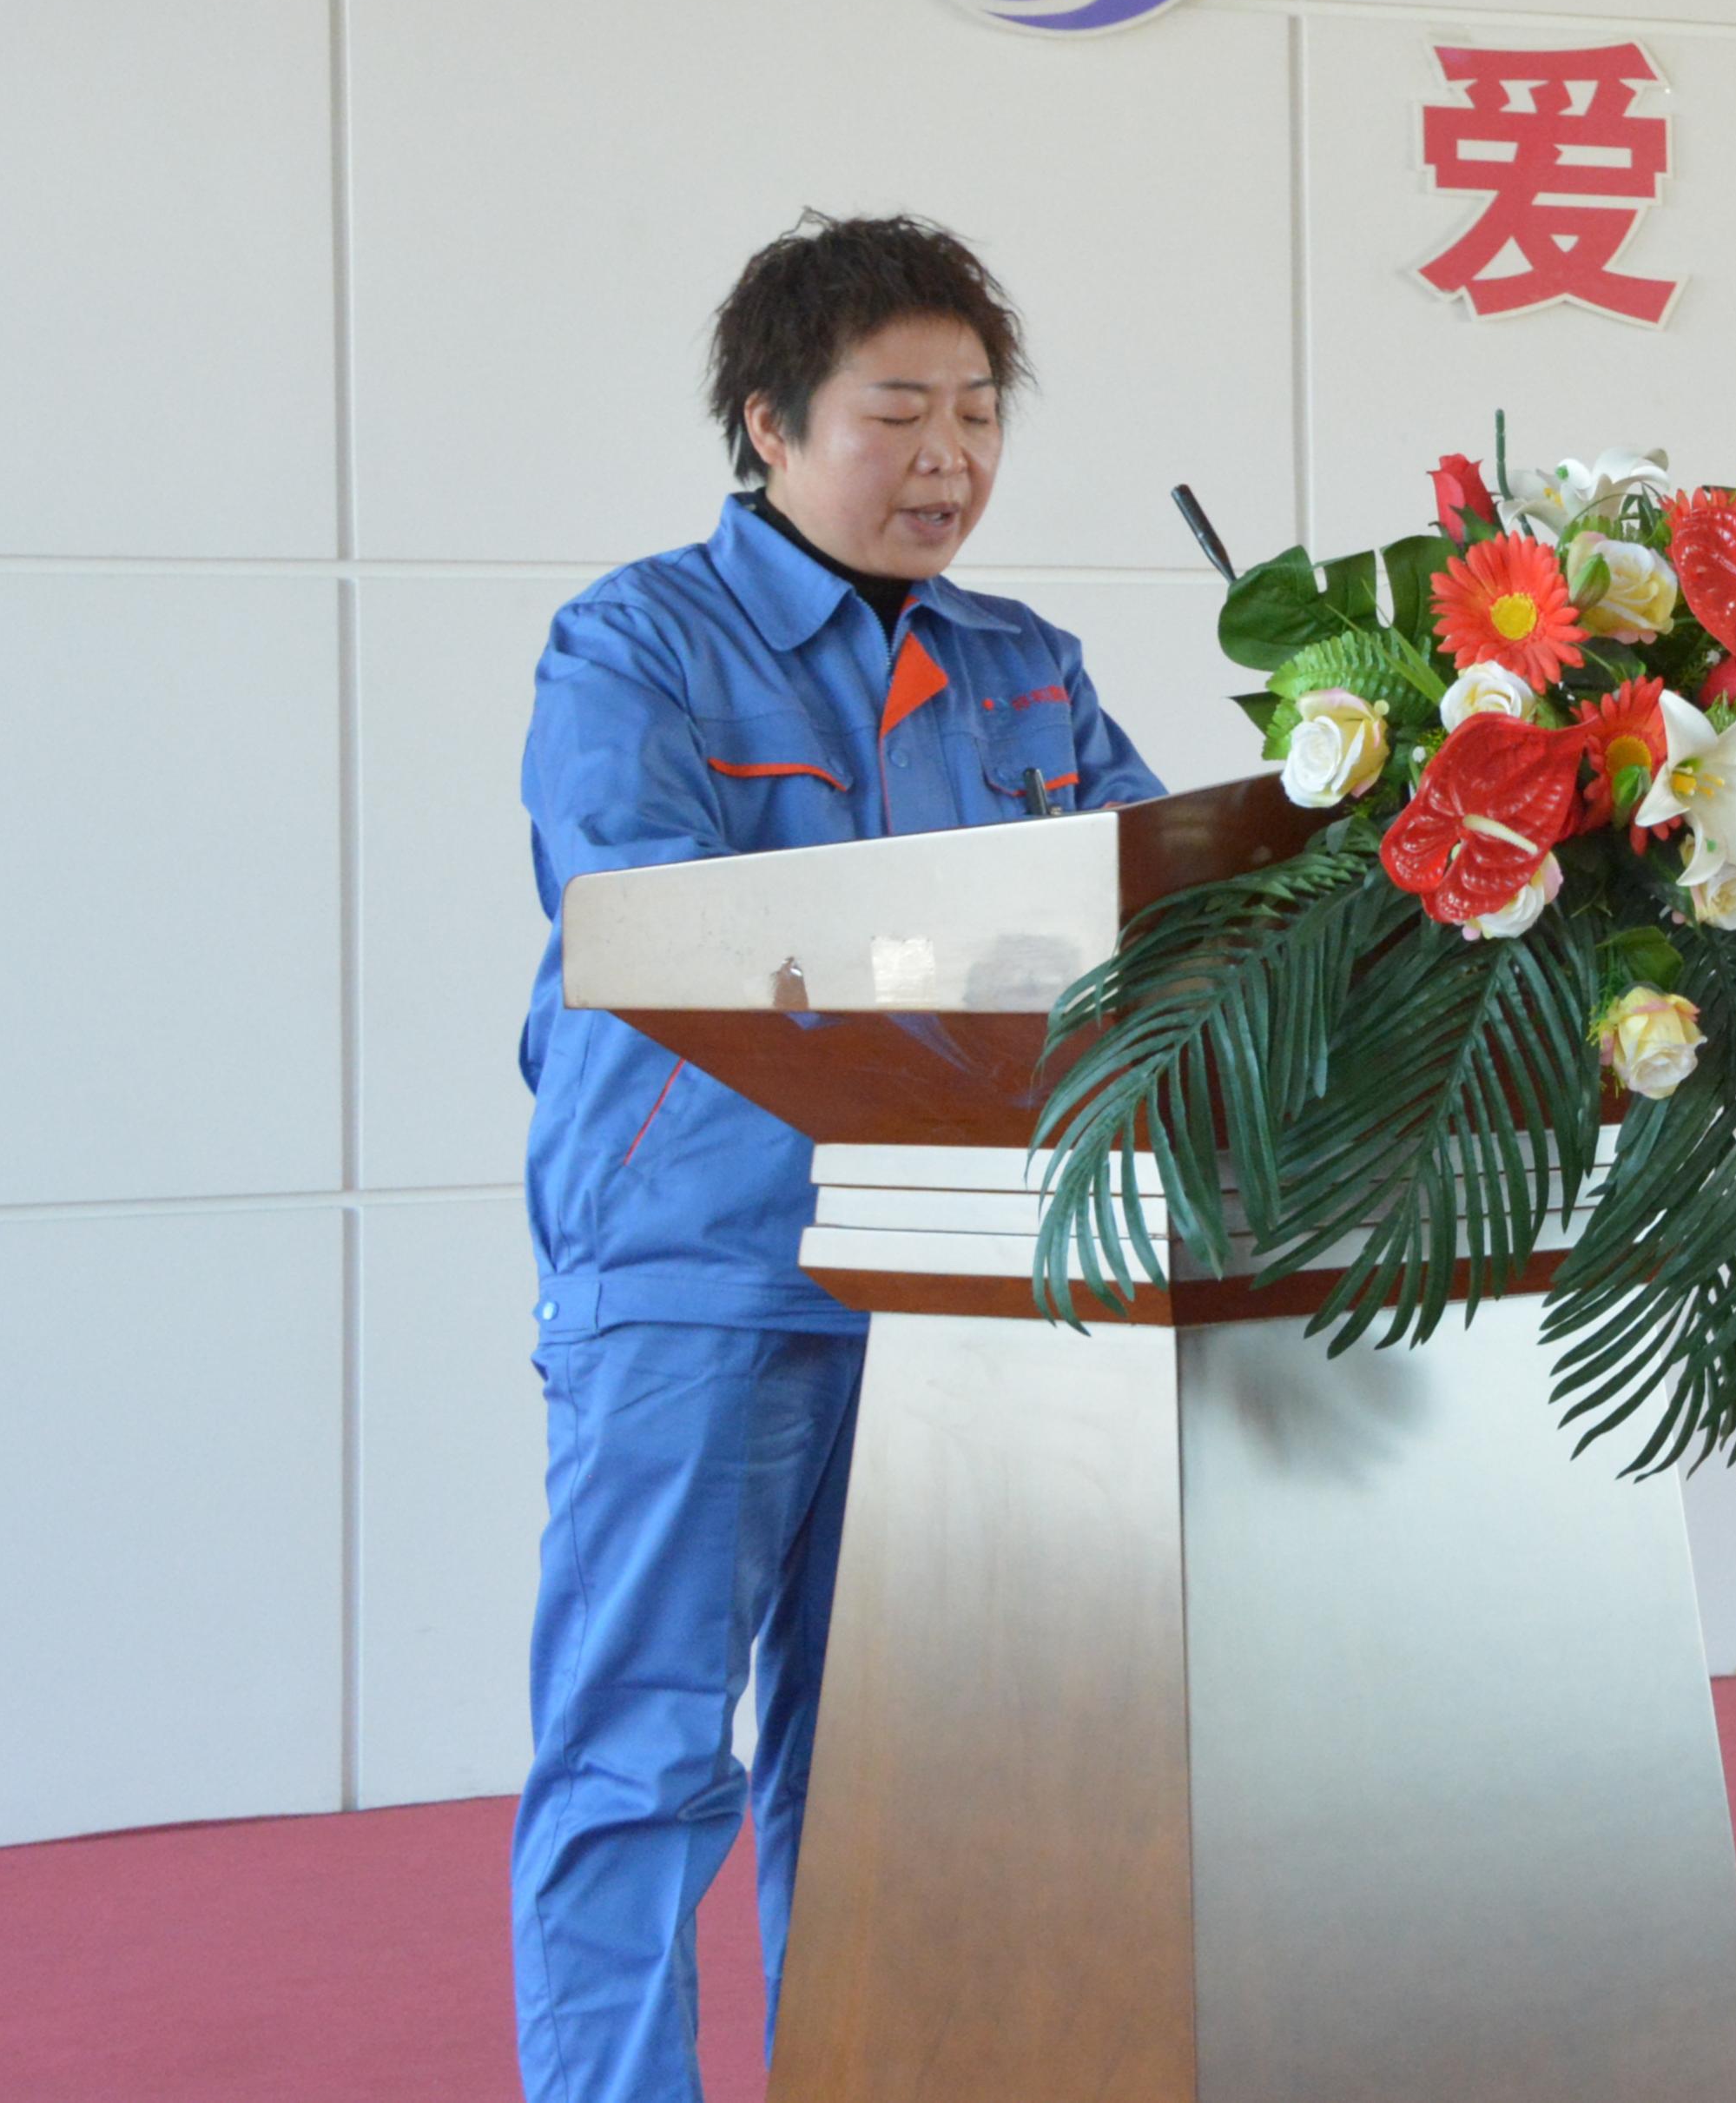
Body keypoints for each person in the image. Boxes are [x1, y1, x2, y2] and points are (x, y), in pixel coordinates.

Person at [506, 212, 1161, 2103]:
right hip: (703, 1267)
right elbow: (643, 911)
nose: (948, 457)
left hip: (960, 1277)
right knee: (642, 1757)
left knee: (892, 1779)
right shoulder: (637, 642)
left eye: (978, 412)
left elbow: (1168, 905)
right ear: (770, 423)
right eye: (897, 412)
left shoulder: (1025, 666)